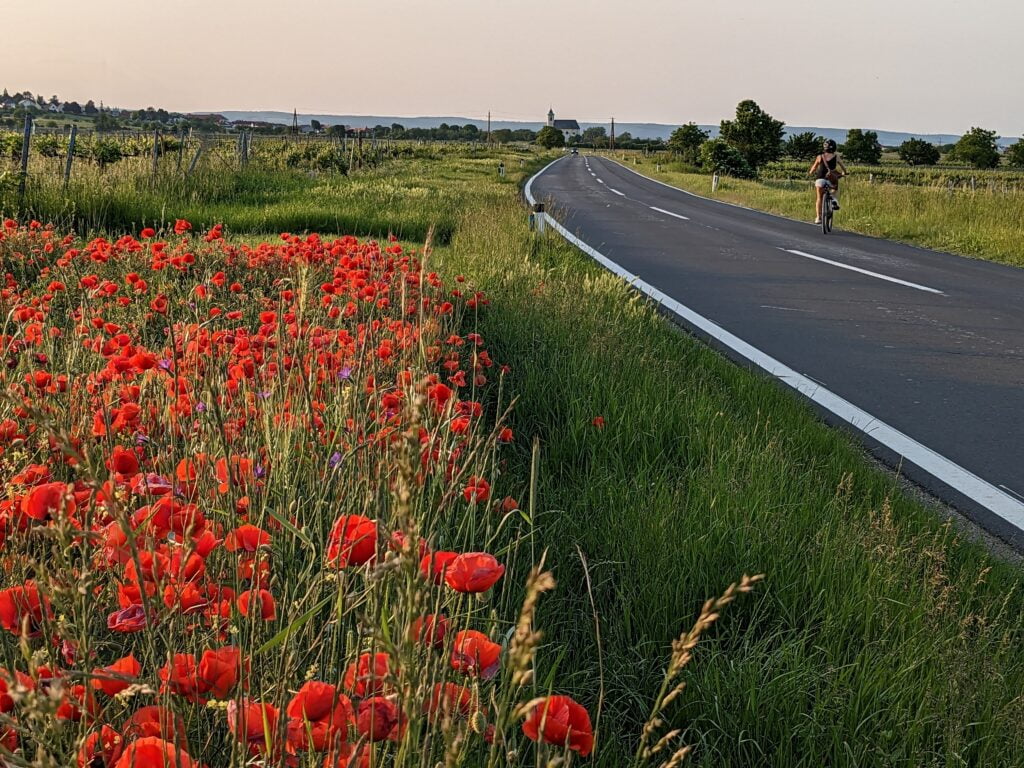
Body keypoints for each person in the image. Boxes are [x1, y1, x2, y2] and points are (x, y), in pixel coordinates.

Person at [809, 139, 847, 224]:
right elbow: (843, 167)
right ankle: (833, 200)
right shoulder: (836, 157)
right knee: (834, 190)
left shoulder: (820, 157)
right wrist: (844, 173)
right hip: (831, 179)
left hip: (820, 179)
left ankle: (818, 217)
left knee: (819, 198)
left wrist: (811, 172)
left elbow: (814, 168)